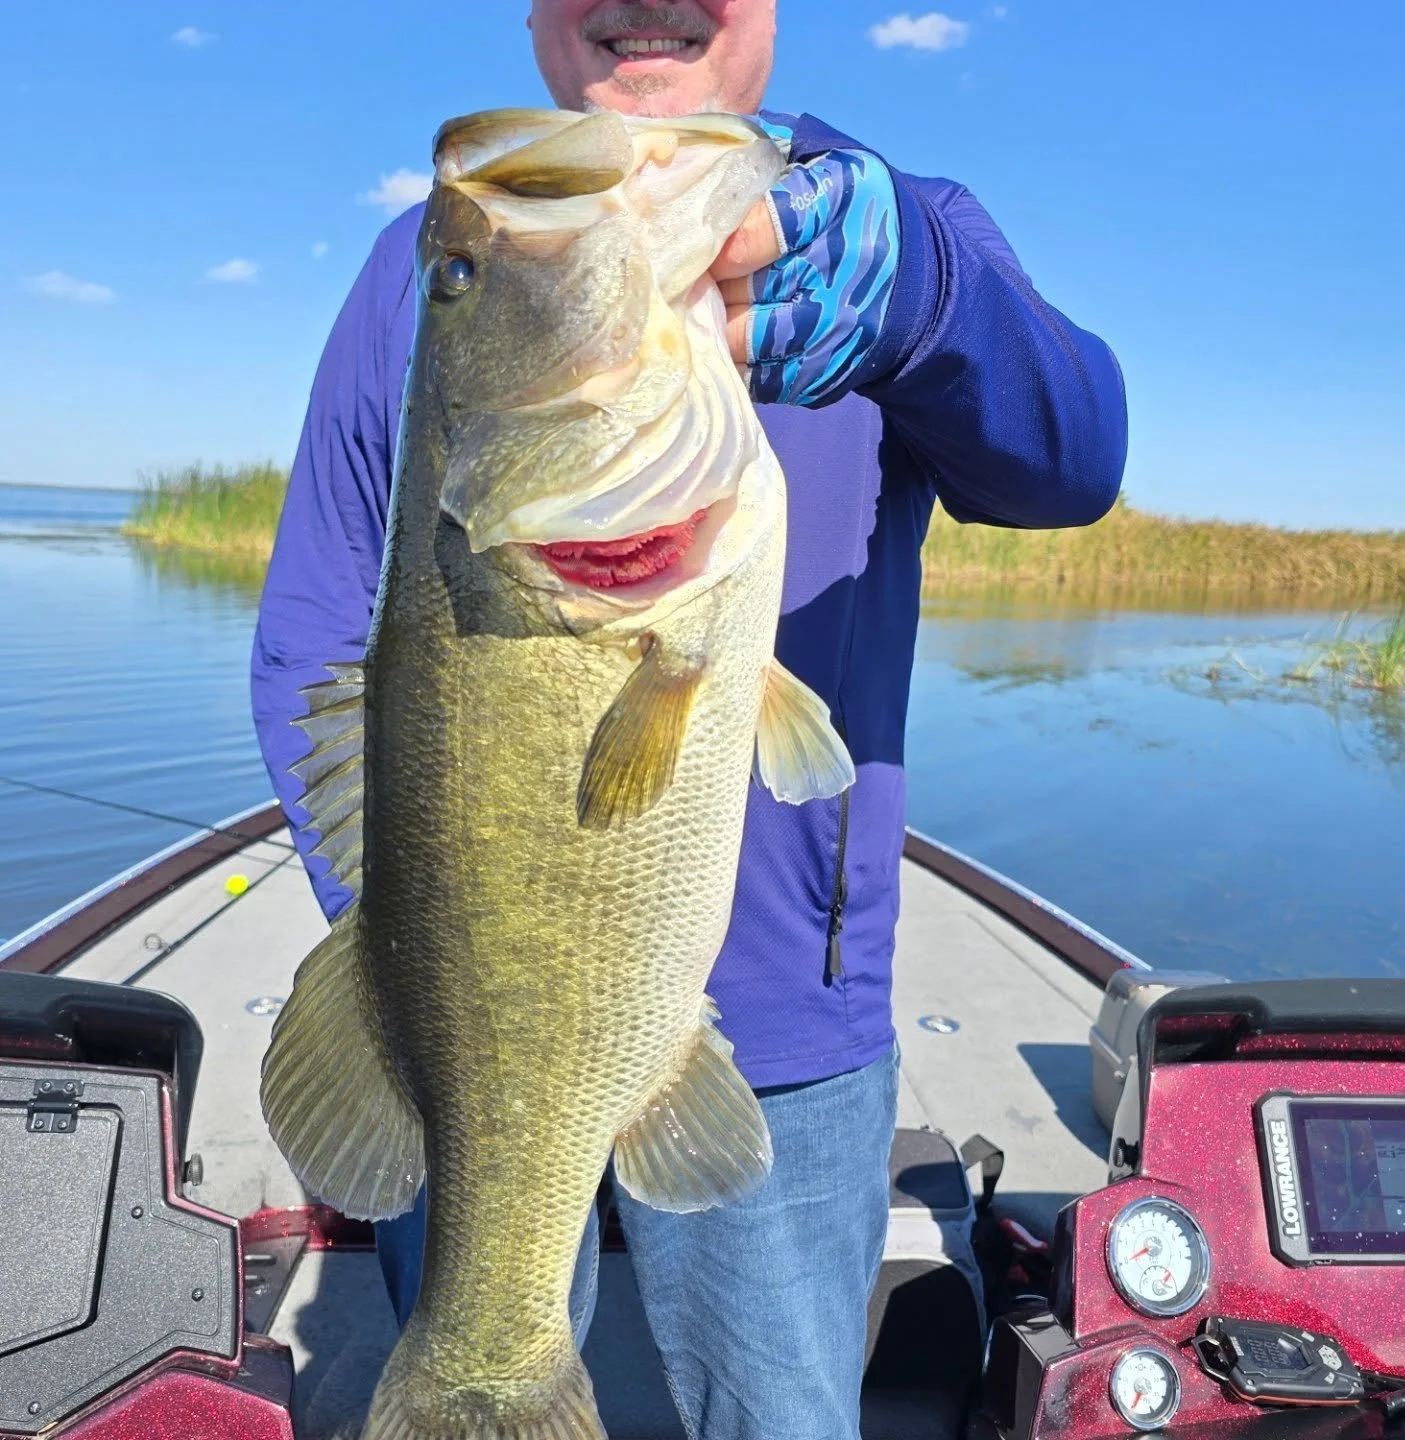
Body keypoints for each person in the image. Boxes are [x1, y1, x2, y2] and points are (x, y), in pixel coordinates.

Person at [250, 1, 1128, 1435]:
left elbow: (1076, 457)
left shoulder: (905, 230)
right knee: (484, 1342)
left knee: (783, 1407)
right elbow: (307, 643)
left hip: (796, 1041)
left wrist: (924, 298)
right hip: (459, 1045)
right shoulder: (413, 270)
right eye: (481, 269)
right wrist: (433, 963)